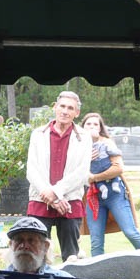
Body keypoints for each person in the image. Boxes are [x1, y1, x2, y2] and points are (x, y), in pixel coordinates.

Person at [26, 91, 92, 261]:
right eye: (62, 106)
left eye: (70, 108)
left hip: (69, 202)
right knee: (36, 257)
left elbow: (82, 172)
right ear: (55, 107)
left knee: (71, 258)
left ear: (77, 113)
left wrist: (56, 193)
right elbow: (31, 169)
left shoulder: (84, 137)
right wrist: (51, 197)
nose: (65, 111)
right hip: (40, 200)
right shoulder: (38, 134)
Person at [81, 112, 140, 256]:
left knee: (131, 232)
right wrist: (86, 159)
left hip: (114, 193)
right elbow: (73, 171)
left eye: (95, 124)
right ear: (83, 127)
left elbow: (118, 168)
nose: (92, 126)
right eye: (88, 124)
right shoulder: (78, 146)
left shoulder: (107, 143)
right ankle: (98, 270)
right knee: (96, 240)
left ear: (100, 128)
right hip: (93, 197)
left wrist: (95, 177)